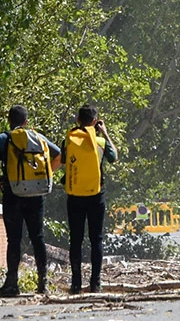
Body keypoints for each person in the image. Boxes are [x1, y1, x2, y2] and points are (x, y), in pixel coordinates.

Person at [0, 105, 62, 297]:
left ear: (9, 120)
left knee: (14, 239)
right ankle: (43, 283)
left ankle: (12, 284)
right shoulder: (38, 137)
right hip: (36, 195)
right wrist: (44, 176)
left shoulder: (4, 138)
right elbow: (60, 156)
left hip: (12, 194)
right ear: (26, 122)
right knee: (38, 237)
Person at [61, 104, 119, 294]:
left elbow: (63, 160)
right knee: (96, 239)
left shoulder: (69, 140)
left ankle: (76, 284)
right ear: (95, 122)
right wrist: (105, 132)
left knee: (75, 240)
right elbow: (114, 157)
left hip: (74, 196)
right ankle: (96, 283)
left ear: (78, 120)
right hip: (96, 196)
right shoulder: (101, 142)